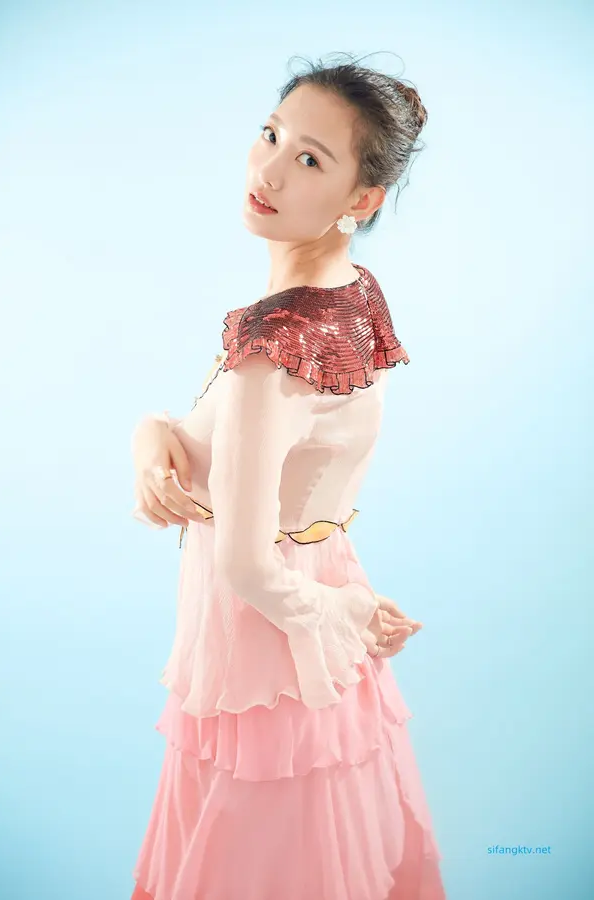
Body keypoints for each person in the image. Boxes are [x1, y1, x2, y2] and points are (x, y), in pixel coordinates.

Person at [129, 54, 446, 900]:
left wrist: (346, 615)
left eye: (309, 158)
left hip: (271, 646)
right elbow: (243, 438)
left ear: (362, 200)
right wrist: (152, 439)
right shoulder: (350, 296)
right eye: (270, 135)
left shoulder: (274, 352)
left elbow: (246, 565)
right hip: (311, 597)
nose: (267, 170)